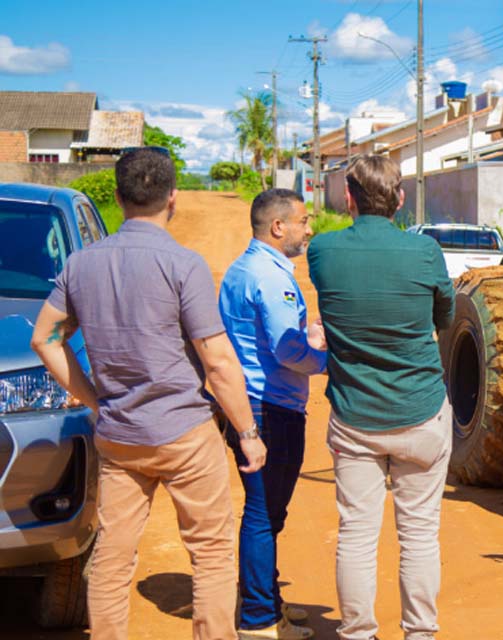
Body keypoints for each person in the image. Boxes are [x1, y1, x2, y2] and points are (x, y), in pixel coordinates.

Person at [30, 148, 266, 640]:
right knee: (212, 553)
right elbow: (218, 361)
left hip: (119, 439)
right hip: (185, 434)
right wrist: (247, 431)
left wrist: (96, 401)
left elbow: (45, 339)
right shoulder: (184, 264)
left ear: (117, 198)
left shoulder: (81, 264)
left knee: (113, 558)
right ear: (173, 199)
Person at [307, 155, 455, 640]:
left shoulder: (322, 251)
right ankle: (420, 633)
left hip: (355, 419)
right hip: (421, 414)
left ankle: (357, 633)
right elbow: (444, 317)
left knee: (356, 535)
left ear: (347, 198)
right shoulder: (426, 252)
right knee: (418, 537)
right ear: (401, 199)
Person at [219, 189, 327, 640]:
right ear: (278, 227)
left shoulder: (240, 270)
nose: (309, 229)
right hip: (271, 408)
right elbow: (287, 350)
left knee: (268, 513)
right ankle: (259, 620)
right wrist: (323, 357)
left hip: (251, 405)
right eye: (303, 221)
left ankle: (265, 600)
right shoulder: (271, 277)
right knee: (264, 514)